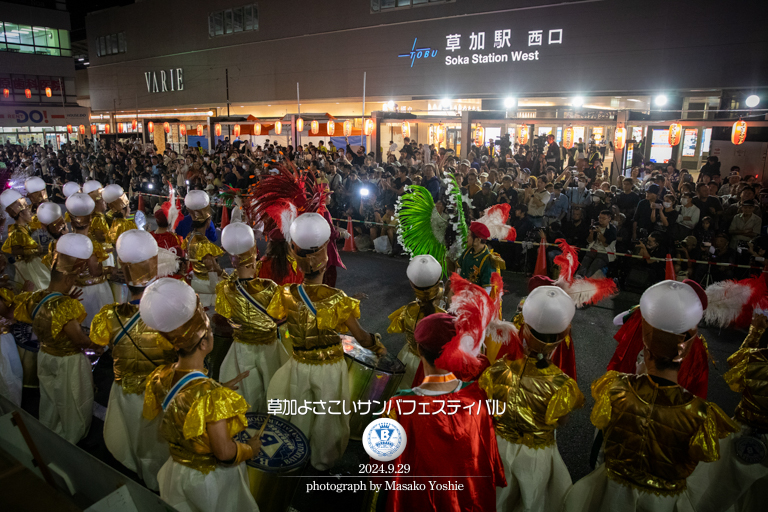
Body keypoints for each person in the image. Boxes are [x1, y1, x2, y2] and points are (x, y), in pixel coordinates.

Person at [563, 280, 738, 512]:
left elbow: (602, 439)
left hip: (612, 491)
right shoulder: (702, 415)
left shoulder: (614, 387)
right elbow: (698, 466)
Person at [266, 213, 385, 470]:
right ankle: (322, 464)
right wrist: (376, 344)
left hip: (298, 363)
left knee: (299, 411)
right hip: (330, 368)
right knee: (328, 419)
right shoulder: (338, 299)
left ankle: (296, 456)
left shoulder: (285, 294)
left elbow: (278, 321)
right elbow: (361, 336)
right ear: (325, 261)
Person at [140, 278, 260, 512]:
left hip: (176, 470)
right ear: (204, 344)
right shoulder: (211, 397)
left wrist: (219, 386)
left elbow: (183, 402)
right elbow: (224, 452)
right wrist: (249, 449)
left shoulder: (159, 376)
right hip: (207, 480)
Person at [379, 312, 506, 512]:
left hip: (418, 498)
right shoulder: (479, 397)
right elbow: (486, 453)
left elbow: (382, 467)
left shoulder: (399, 406)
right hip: (465, 498)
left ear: (419, 349)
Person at [481, 286, 583, 512]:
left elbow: (489, 403)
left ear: (524, 329)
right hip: (537, 454)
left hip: (498, 447)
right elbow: (561, 420)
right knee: (532, 500)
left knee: (495, 499)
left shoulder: (497, 370)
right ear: (560, 337)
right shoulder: (561, 384)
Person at [89, 230, 176, 490]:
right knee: (156, 444)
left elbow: (96, 347)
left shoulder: (109, 316)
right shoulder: (171, 313)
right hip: (161, 394)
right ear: (155, 265)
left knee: (130, 439)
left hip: (125, 391)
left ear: (124, 272)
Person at [14, 233, 101, 444]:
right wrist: (97, 346)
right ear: (70, 279)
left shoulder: (35, 298)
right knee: (72, 401)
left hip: (45, 355)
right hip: (68, 362)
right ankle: (72, 439)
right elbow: (78, 339)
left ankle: (50, 431)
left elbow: (41, 314)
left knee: (50, 398)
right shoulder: (65, 306)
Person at [688, 312, 768, 512]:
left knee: (720, 489)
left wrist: (755, 331)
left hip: (744, 430)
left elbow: (734, 370)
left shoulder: (756, 359)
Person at [216, 222, 283, 413]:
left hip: (240, 348)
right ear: (254, 250)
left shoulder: (225, 288)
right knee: (272, 388)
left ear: (232, 257)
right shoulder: (269, 287)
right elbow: (279, 314)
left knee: (242, 390)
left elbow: (224, 313)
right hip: (268, 348)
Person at [388, 255, 445, 389]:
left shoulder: (407, 310)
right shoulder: (445, 318)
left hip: (408, 359)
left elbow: (400, 326)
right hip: (433, 365)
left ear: (411, 284)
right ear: (438, 283)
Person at [65, 192, 114, 327]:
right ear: (90, 219)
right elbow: (95, 271)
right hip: (94, 291)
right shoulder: (91, 245)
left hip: (73, 290)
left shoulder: (64, 243)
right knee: (97, 324)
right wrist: (109, 270)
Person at [182, 190, 224, 310]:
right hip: (204, 284)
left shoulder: (190, 236)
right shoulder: (204, 244)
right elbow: (212, 271)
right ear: (208, 221)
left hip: (194, 276)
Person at [1, 189, 51, 290]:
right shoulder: (16, 231)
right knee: (39, 289)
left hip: (35, 263)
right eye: (27, 210)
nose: (30, 213)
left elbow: (32, 226)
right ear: (21, 214)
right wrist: (35, 250)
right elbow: (15, 251)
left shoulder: (25, 226)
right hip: (28, 268)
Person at [576, 210, 617, 278]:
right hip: (593, 249)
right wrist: (591, 233)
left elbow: (606, 244)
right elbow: (589, 241)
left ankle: (587, 279)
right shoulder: (595, 225)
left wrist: (599, 232)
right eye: (599, 217)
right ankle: (579, 277)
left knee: (595, 264)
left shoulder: (612, 229)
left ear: (609, 219)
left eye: (603, 218)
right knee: (585, 261)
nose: (601, 220)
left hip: (605, 252)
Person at [455, 222, 495, 290]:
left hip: (476, 298)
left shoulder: (487, 260)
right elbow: (458, 270)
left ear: (477, 240)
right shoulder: (467, 252)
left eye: (469, 235)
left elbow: (487, 289)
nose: (467, 237)